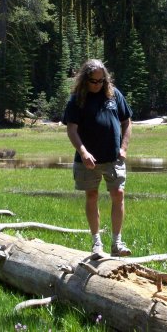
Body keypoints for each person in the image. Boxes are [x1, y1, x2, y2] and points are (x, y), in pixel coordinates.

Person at [62, 59, 133, 257]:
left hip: (113, 158)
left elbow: (127, 122)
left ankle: (117, 243)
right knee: (92, 195)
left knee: (118, 193)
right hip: (88, 160)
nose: (98, 85)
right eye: (94, 81)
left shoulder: (113, 94)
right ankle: (96, 243)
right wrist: (83, 152)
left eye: (101, 81)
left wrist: (124, 148)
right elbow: (72, 129)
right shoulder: (77, 99)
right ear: (85, 80)